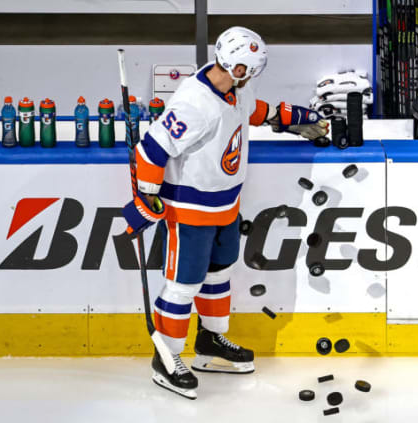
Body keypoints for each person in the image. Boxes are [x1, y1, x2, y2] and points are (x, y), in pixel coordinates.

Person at [120, 26, 328, 400]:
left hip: (225, 205)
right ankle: (165, 358)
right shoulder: (194, 103)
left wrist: (296, 119)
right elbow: (151, 148)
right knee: (183, 285)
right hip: (189, 210)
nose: (251, 78)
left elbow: (257, 111)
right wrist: (148, 195)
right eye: (249, 71)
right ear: (236, 68)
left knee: (218, 275)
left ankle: (209, 341)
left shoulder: (237, 89)